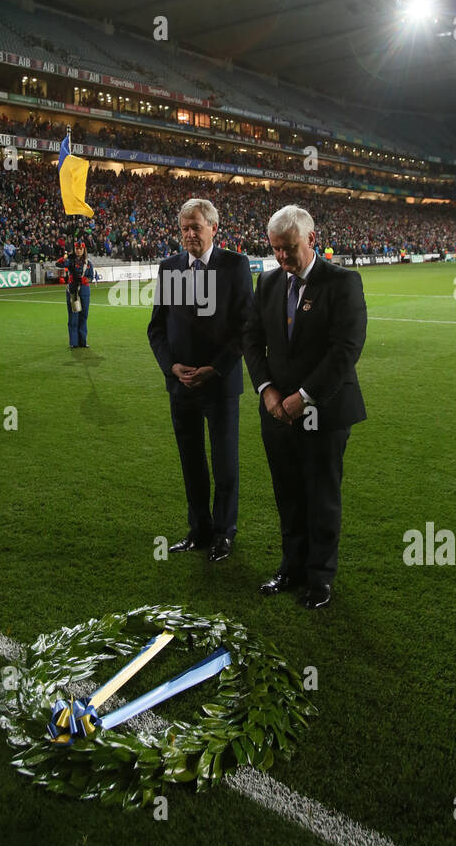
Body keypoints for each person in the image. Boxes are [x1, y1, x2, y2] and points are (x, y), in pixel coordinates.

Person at [243, 204, 367, 608]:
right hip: (276, 411)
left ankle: (320, 578)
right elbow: (251, 339)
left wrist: (304, 397)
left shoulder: (343, 282)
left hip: (323, 410)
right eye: (275, 249)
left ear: (311, 240)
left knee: (321, 494)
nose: (281, 257)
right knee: (287, 491)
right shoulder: (269, 283)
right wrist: (267, 390)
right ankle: (291, 566)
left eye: (289, 248)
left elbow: (344, 351)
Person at [147, 198, 254, 563]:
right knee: (191, 461)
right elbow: (157, 329)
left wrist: (216, 367)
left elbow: (246, 327)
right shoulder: (169, 268)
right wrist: (171, 368)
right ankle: (199, 530)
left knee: (225, 462)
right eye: (184, 228)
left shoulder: (235, 266)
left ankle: (225, 533)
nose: (189, 234)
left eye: (196, 227)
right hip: (181, 386)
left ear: (213, 228)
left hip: (219, 384)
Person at [56, 235, 95, 348]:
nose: (78, 251)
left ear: (84, 250)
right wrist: (65, 256)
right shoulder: (71, 261)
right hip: (73, 290)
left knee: (84, 316)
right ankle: (74, 342)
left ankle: (83, 341)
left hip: (84, 290)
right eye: (77, 249)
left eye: (80, 249)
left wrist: (84, 279)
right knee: (73, 316)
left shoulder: (88, 263)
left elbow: (91, 277)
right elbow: (58, 264)